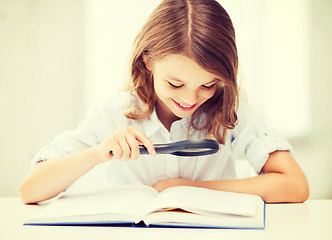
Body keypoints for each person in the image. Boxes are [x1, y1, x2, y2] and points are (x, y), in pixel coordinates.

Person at [19, 0, 309, 204]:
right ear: (148, 60)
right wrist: (98, 153)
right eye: (175, 84)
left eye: (208, 85)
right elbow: (30, 190)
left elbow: (295, 184)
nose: (189, 98)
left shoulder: (229, 112)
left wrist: (193, 189)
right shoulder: (114, 114)